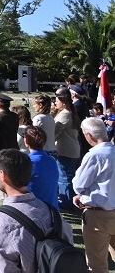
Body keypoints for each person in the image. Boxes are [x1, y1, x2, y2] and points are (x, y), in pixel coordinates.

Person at [0, 148, 75, 273]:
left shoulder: (1, 218)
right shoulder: (49, 210)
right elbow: (68, 243)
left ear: (3, 175)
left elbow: (7, 267)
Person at [72, 117, 115, 273]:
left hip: (98, 216)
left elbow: (79, 184)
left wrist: (81, 195)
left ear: (89, 136)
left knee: (97, 264)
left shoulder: (95, 155)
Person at [53, 86, 82, 210]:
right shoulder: (71, 112)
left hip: (65, 151)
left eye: (57, 101)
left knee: (64, 178)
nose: (55, 103)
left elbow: (55, 132)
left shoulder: (65, 115)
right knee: (68, 177)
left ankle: (68, 203)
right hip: (72, 149)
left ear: (63, 102)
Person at [23, 126, 59, 210]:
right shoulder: (51, 160)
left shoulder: (28, 162)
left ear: (26, 141)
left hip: (35, 208)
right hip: (53, 207)